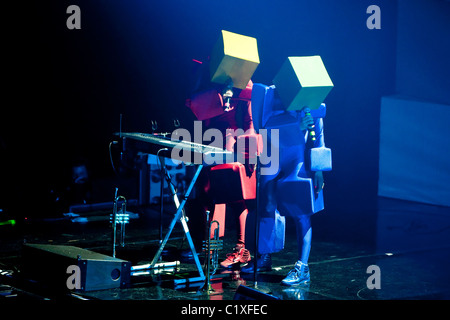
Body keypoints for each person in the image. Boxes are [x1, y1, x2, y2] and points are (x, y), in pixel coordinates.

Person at [241, 83, 327, 287]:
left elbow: (319, 140)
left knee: (301, 210)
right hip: (272, 156)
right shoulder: (274, 96)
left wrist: (319, 169)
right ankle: (264, 256)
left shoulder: (313, 105)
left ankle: (302, 266)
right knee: (267, 206)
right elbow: (265, 125)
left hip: (295, 160)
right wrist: (297, 124)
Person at [186, 59, 256, 269]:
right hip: (205, 136)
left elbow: (250, 117)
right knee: (206, 191)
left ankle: (242, 248)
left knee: (232, 192)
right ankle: (210, 246)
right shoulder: (206, 72)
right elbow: (193, 102)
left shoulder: (244, 79)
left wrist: (250, 146)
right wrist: (218, 93)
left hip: (228, 137)